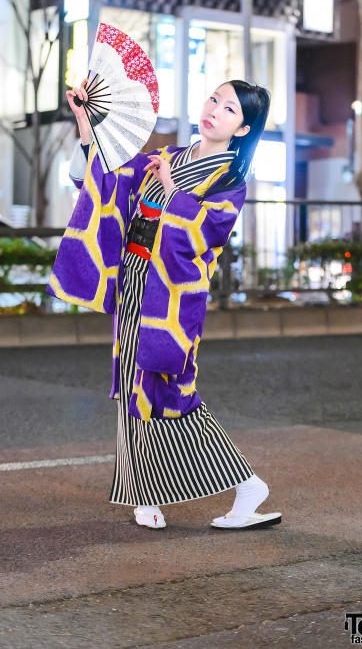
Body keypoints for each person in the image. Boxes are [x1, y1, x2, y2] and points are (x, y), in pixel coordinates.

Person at [47, 78, 282, 531]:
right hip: (135, 282)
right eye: (213, 98)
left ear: (241, 129)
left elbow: (205, 234)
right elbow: (104, 180)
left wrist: (174, 191)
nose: (214, 109)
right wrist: (85, 126)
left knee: (172, 390)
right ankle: (150, 494)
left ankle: (244, 483)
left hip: (172, 298)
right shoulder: (168, 157)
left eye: (229, 109)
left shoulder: (230, 181)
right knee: (134, 385)